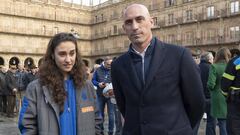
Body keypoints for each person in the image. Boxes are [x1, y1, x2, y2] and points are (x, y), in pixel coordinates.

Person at [111, 4, 205, 135]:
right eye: (128, 22)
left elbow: (197, 103)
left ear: (151, 22)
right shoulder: (118, 65)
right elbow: (123, 106)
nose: (134, 26)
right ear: (124, 28)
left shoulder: (179, 55)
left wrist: (182, 129)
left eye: (139, 19)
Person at [18, 33, 102, 135]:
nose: (68, 60)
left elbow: (97, 120)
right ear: (53, 55)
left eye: (72, 53)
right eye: (62, 54)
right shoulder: (36, 88)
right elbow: (26, 124)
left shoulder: (87, 86)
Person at [207, 47, 231, 135]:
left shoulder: (214, 66)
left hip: (218, 97)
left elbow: (211, 84)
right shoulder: (231, 66)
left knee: (222, 122)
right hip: (231, 96)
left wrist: (211, 90)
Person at [92, 57, 115, 135]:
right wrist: (98, 84)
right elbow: (93, 80)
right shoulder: (98, 70)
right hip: (100, 95)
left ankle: (111, 132)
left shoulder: (113, 69)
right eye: (108, 64)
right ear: (104, 63)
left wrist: (111, 85)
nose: (110, 66)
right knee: (100, 114)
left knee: (111, 115)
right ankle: (100, 131)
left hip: (110, 95)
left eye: (111, 64)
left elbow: (117, 80)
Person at [221, 49, 240, 135]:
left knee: (234, 129)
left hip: (236, 101)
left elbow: (225, 85)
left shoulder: (236, 61)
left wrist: (227, 95)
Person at [199, 51, 215, 135]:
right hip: (209, 97)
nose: (213, 59)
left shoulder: (196, 67)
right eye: (212, 58)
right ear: (209, 59)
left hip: (198, 98)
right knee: (211, 121)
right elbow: (212, 84)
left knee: (196, 122)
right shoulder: (211, 68)